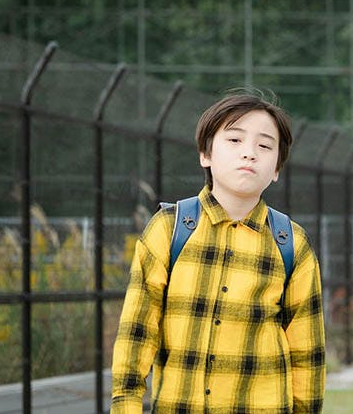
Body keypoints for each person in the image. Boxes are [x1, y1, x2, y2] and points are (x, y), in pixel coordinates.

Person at [111, 93, 325, 414]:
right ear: (205, 154)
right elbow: (137, 332)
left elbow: (307, 353)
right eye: (235, 140)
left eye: (265, 146)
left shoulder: (292, 243)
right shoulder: (169, 229)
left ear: (277, 169)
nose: (249, 153)